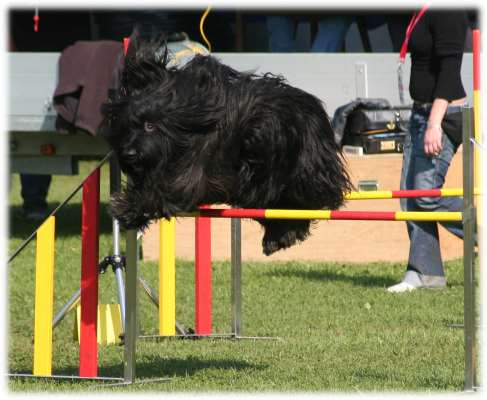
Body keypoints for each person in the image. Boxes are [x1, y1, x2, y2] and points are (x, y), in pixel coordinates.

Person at [387, 8, 470, 293]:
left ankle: (478, 231)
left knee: (424, 194)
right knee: (409, 197)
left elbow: (449, 73)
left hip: (443, 116)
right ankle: (425, 274)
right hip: (420, 113)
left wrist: (434, 123)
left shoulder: (447, 10)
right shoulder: (418, 11)